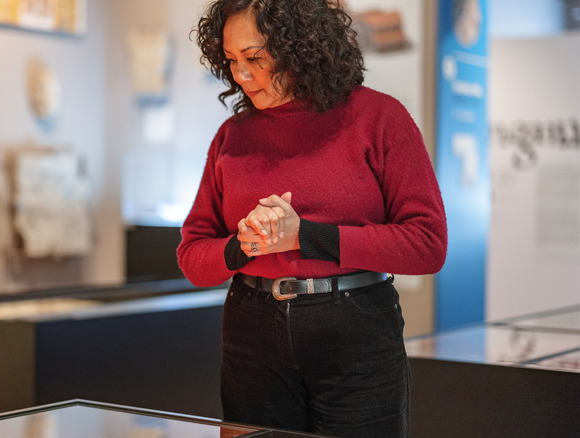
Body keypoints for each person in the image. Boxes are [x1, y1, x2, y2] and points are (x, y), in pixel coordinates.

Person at [176, 1, 448, 437]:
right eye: (230, 60)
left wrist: (307, 237)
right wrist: (242, 245)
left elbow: (427, 243)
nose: (241, 75)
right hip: (252, 333)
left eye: (255, 58)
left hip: (355, 330)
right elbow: (192, 256)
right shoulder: (232, 136)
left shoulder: (378, 118)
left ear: (299, 46)